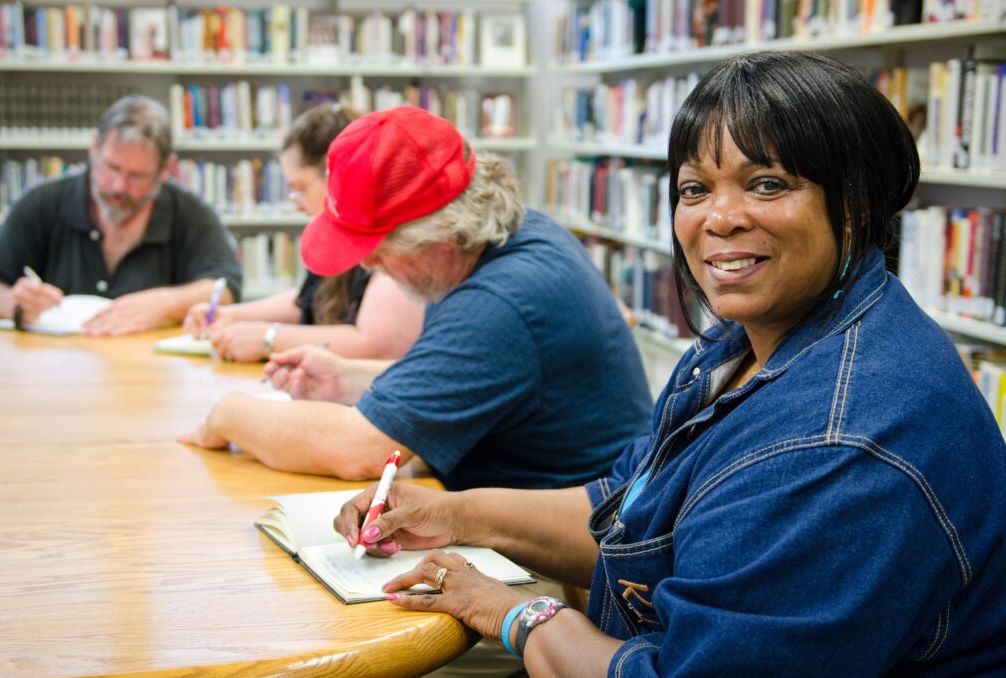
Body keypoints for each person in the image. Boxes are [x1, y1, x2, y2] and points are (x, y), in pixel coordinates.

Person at [332, 53, 1006, 675]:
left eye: (767, 184)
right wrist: (454, 514)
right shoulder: (749, 338)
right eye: (694, 188)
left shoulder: (840, 445)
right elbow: (628, 512)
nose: (720, 218)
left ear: (855, 205)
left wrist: (519, 615)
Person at [180, 105, 653, 491]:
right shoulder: (516, 235)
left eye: (379, 249)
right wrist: (348, 380)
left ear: (439, 235)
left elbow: (359, 450)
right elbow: (471, 374)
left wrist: (228, 413)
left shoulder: (497, 304)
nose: (366, 265)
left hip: (578, 561)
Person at [0, 95, 242, 335]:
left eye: (137, 176)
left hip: (148, 371)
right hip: (52, 368)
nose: (119, 186)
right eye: (111, 168)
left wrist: (166, 304)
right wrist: (14, 304)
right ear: (93, 149)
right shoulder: (40, 203)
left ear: (165, 171)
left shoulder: (190, 213)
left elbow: (225, 289)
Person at [182, 105, 424, 361]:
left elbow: (374, 345)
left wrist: (268, 338)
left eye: (300, 188)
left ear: (336, 176)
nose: (296, 203)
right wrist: (233, 315)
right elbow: (309, 300)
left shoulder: (391, 241)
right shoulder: (337, 238)